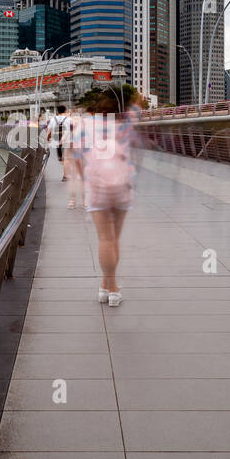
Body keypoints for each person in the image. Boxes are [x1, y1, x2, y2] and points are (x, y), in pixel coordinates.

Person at [72, 89, 142, 307]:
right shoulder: (125, 125)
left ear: (98, 109)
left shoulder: (85, 125)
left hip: (98, 187)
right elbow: (137, 111)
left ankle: (108, 288)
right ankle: (109, 287)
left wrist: (85, 179)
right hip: (122, 186)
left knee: (105, 239)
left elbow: (76, 156)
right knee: (115, 239)